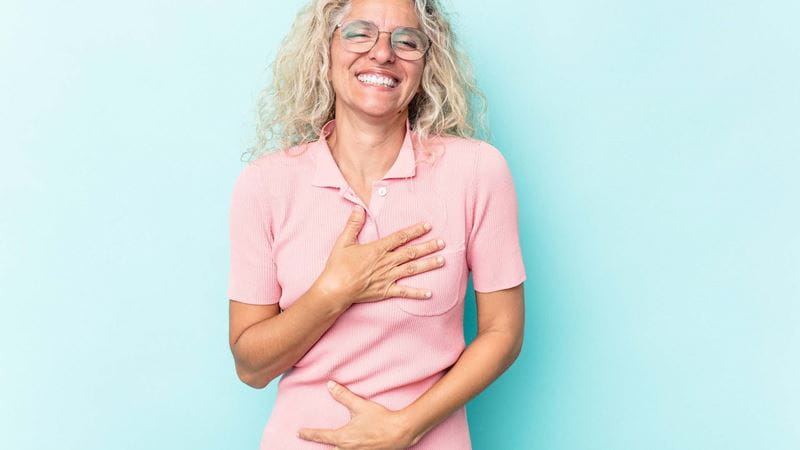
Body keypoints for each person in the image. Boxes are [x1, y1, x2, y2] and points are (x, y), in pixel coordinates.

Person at [227, 0, 526, 448]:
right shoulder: (265, 184)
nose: (383, 54)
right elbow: (251, 368)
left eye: (406, 41)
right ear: (325, 51)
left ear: (427, 64)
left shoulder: (477, 172)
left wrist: (405, 427)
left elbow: (503, 331)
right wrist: (334, 289)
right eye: (359, 33)